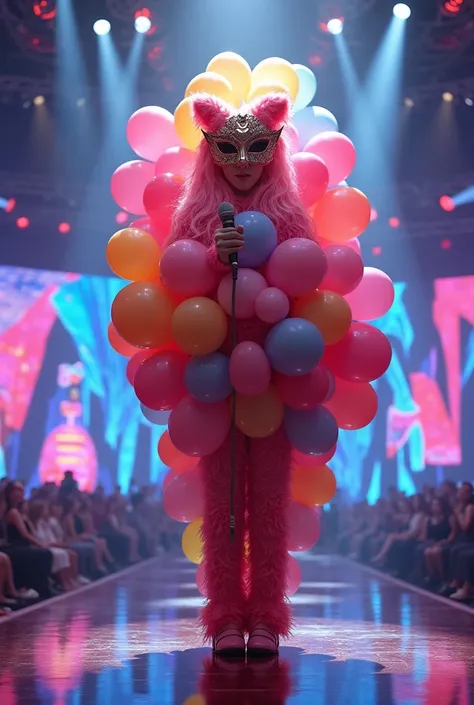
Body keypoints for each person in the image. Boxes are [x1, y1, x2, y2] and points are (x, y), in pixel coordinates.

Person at [168, 92, 314, 656]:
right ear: (212, 152)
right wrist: (212, 257)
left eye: (257, 146)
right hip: (213, 372)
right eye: (230, 148)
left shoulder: (290, 212)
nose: (244, 159)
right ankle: (226, 614)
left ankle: (268, 620)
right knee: (222, 501)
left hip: (276, 370)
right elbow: (176, 284)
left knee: (271, 500)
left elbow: (305, 283)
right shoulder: (196, 215)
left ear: (273, 149)